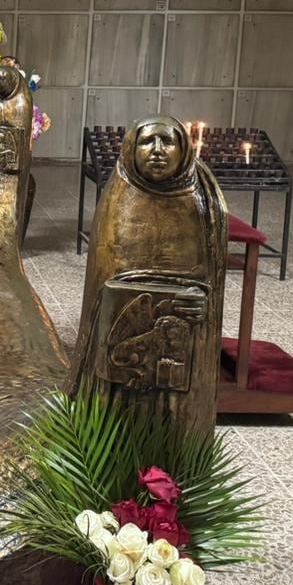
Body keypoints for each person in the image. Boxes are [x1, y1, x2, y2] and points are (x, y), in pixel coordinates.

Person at [74, 115, 228, 433]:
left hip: (182, 343)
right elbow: (103, 281)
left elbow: (212, 275)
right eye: (147, 141)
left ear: (183, 148)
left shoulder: (202, 199)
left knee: (173, 423)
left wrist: (204, 300)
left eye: (167, 141)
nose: (157, 150)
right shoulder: (120, 200)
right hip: (124, 343)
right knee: (120, 419)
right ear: (132, 148)